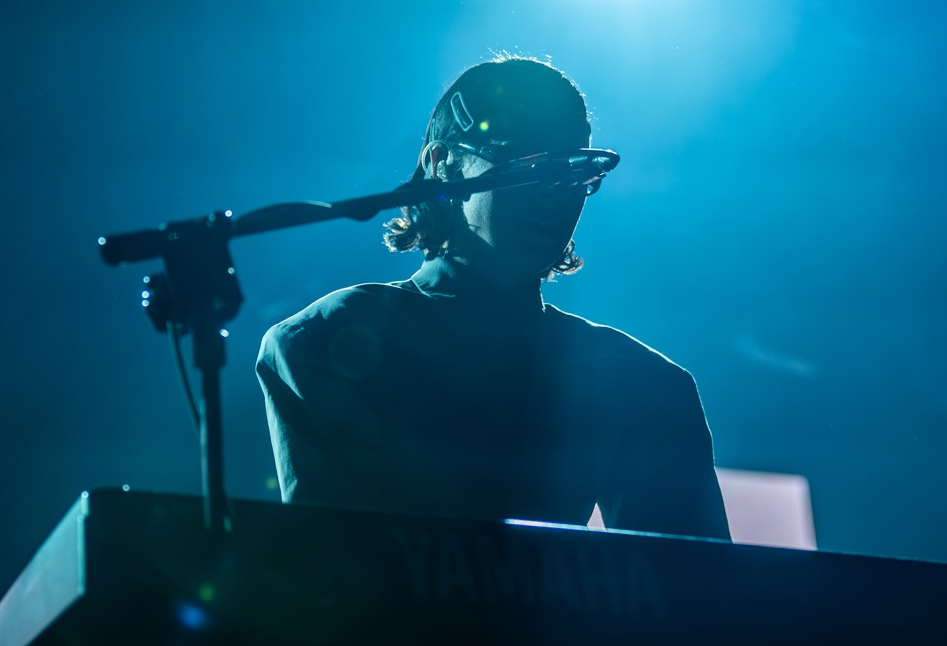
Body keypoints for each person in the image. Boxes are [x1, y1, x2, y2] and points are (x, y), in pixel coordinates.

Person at [256, 56, 730, 541]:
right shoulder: (322, 339)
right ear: (442, 164)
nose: (558, 192)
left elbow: (693, 583)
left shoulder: (645, 382)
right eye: (527, 162)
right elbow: (333, 566)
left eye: (576, 170)